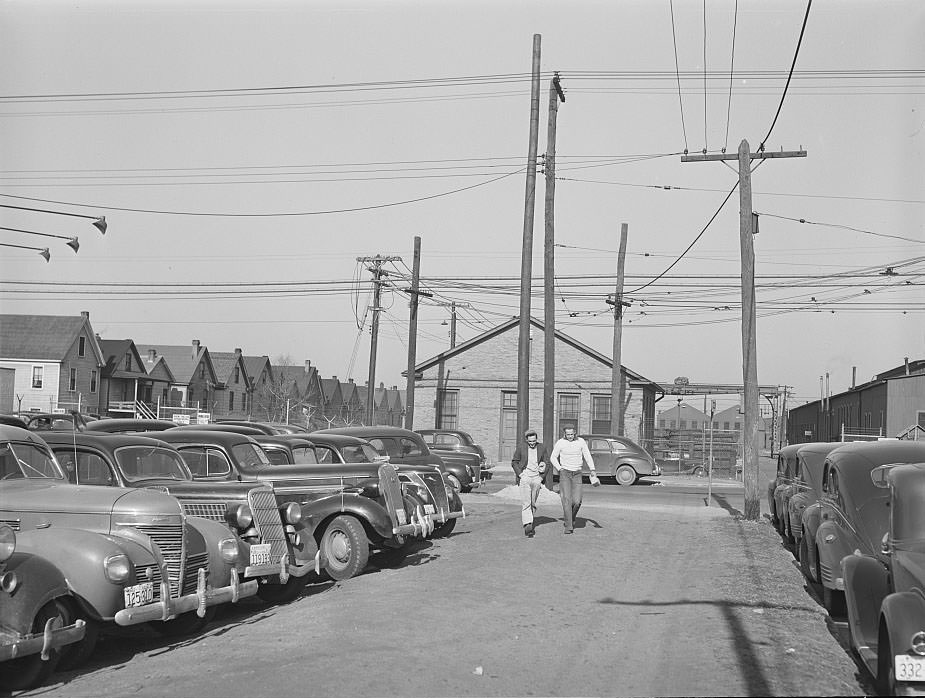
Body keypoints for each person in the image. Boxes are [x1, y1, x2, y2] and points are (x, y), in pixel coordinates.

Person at [549, 427, 597, 534]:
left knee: (577, 501)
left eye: (571, 434)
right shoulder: (560, 443)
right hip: (565, 473)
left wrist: (592, 469)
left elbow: (587, 455)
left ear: (575, 433)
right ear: (564, 434)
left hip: (577, 474)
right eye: (567, 434)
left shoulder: (581, 442)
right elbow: (553, 457)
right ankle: (569, 526)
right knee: (566, 500)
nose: (570, 436)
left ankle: (571, 517)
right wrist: (560, 468)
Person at [510, 429, 549, 537]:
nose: (532, 443)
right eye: (530, 441)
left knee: (532, 502)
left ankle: (529, 517)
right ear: (526, 440)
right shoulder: (521, 447)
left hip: (537, 478)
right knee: (526, 502)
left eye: (534, 441)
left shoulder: (542, 447)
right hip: (525, 477)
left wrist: (541, 477)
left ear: (536, 440)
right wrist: (521, 475)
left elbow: (547, 463)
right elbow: (514, 462)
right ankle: (528, 525)